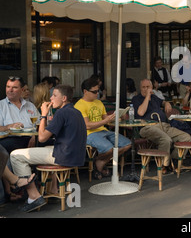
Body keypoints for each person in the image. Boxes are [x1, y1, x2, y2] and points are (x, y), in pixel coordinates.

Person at [10, 84, 87, 212]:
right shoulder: (76, 111)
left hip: (63, 156)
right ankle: (52, 189)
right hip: (76, 156)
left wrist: (43, 115)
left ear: (64, 98)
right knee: (47, 146)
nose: (51, 98)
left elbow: (41, 138)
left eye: (54, 95)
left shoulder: (62, 112)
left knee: (15, 155)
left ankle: (33, 196)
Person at [74, 76, 131, 180]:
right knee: (109, 148)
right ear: (85, 91)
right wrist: (106, 121)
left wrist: (116, 118)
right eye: (94, 92)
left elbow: (106, 119)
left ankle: (99, 161)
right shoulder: (79, 105)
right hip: (88, 133)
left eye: (98, 91)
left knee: (127, 144)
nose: (97, 94)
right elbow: (87, 125)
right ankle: (100, 163)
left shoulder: (99, 102)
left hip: (103, 131)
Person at [132, 79, 191, 174]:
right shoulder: (136, 99)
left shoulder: (154, 97)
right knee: (166, 140)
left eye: (148, 87)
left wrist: (166, 103)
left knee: (186, 137)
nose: (146, 89)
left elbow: (162, 102)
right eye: (143, 87)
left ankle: (174, 161)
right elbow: (140, 112)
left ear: (152, 88)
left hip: (164, 125)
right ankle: (164, 165)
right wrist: (147, 96)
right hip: (147, 127)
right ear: (140, 88)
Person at [0, 77, 40, 153]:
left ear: (22, 90)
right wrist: (8, 126)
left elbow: (40, 123)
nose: (10, 90)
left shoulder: (30, 105)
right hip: (11, 139)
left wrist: (35, 136)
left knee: (52, 142)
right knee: (6, 146)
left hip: (32, 138)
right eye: (8, 87)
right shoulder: (1, 106)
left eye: (14, 87)